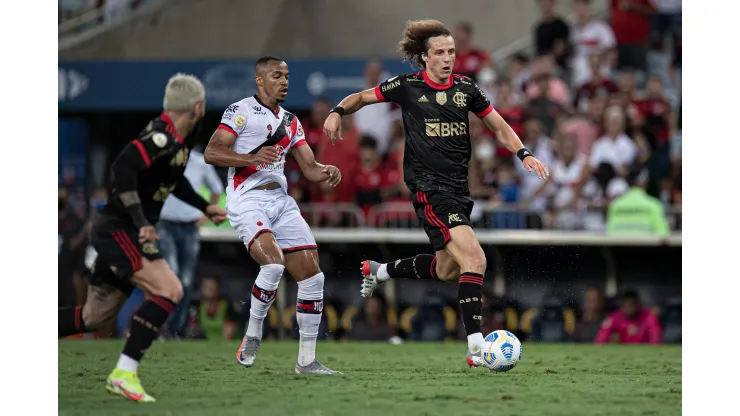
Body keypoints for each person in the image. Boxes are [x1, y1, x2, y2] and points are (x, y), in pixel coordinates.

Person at [322, 19, 549, 368]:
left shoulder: (466, 88)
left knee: (448, 270)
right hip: (429, 190)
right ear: (425, 58)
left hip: (459, 191)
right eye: (440, 53)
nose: (447, 59)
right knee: (476, 260)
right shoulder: (407, 86)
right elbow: (362, 98)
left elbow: (498, 125)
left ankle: (379, 271)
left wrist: (524, 153)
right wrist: (337, 112)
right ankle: (477, 349)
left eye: (451, 52)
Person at [57, 73, 228, 402]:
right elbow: (122, 167)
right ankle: (124, 372)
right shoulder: (160, 135)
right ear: (198, 107)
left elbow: (173, 182)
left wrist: (205, 206)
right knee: (171, 289)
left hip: (123, 229)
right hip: (122, 229)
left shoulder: (179, 140)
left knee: (96, 316)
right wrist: (140, 220)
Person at [204, 56, 342, 375]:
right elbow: (213, 152)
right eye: (277, 75)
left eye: (287, 76)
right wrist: (251, 157)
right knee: (274, 263)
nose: (284, 81)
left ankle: (307, 360)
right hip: (247, 199)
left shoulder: (292, 121)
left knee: (313, 277)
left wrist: (327, 172)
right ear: (260, 80)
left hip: (280, 201)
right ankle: (253, 335)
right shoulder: (240, 111)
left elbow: (308, 168)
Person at [157, 146, 224, 338]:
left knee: (185, 282)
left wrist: (205, 215)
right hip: (165, 224)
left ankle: (176, 329)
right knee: (172, 276)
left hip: (190, 227)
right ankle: (164, 326)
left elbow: (217, 190)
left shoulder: (199, 161)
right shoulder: (163, 158)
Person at [594, 289, 663, 344]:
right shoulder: (613, 318)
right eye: (625, 306)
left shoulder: (649, 317)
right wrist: (610, 340)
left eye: (631, 306)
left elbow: (656, 340)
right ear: (621, 306)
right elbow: (600, 340)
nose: (629, 309)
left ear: (638, 305)